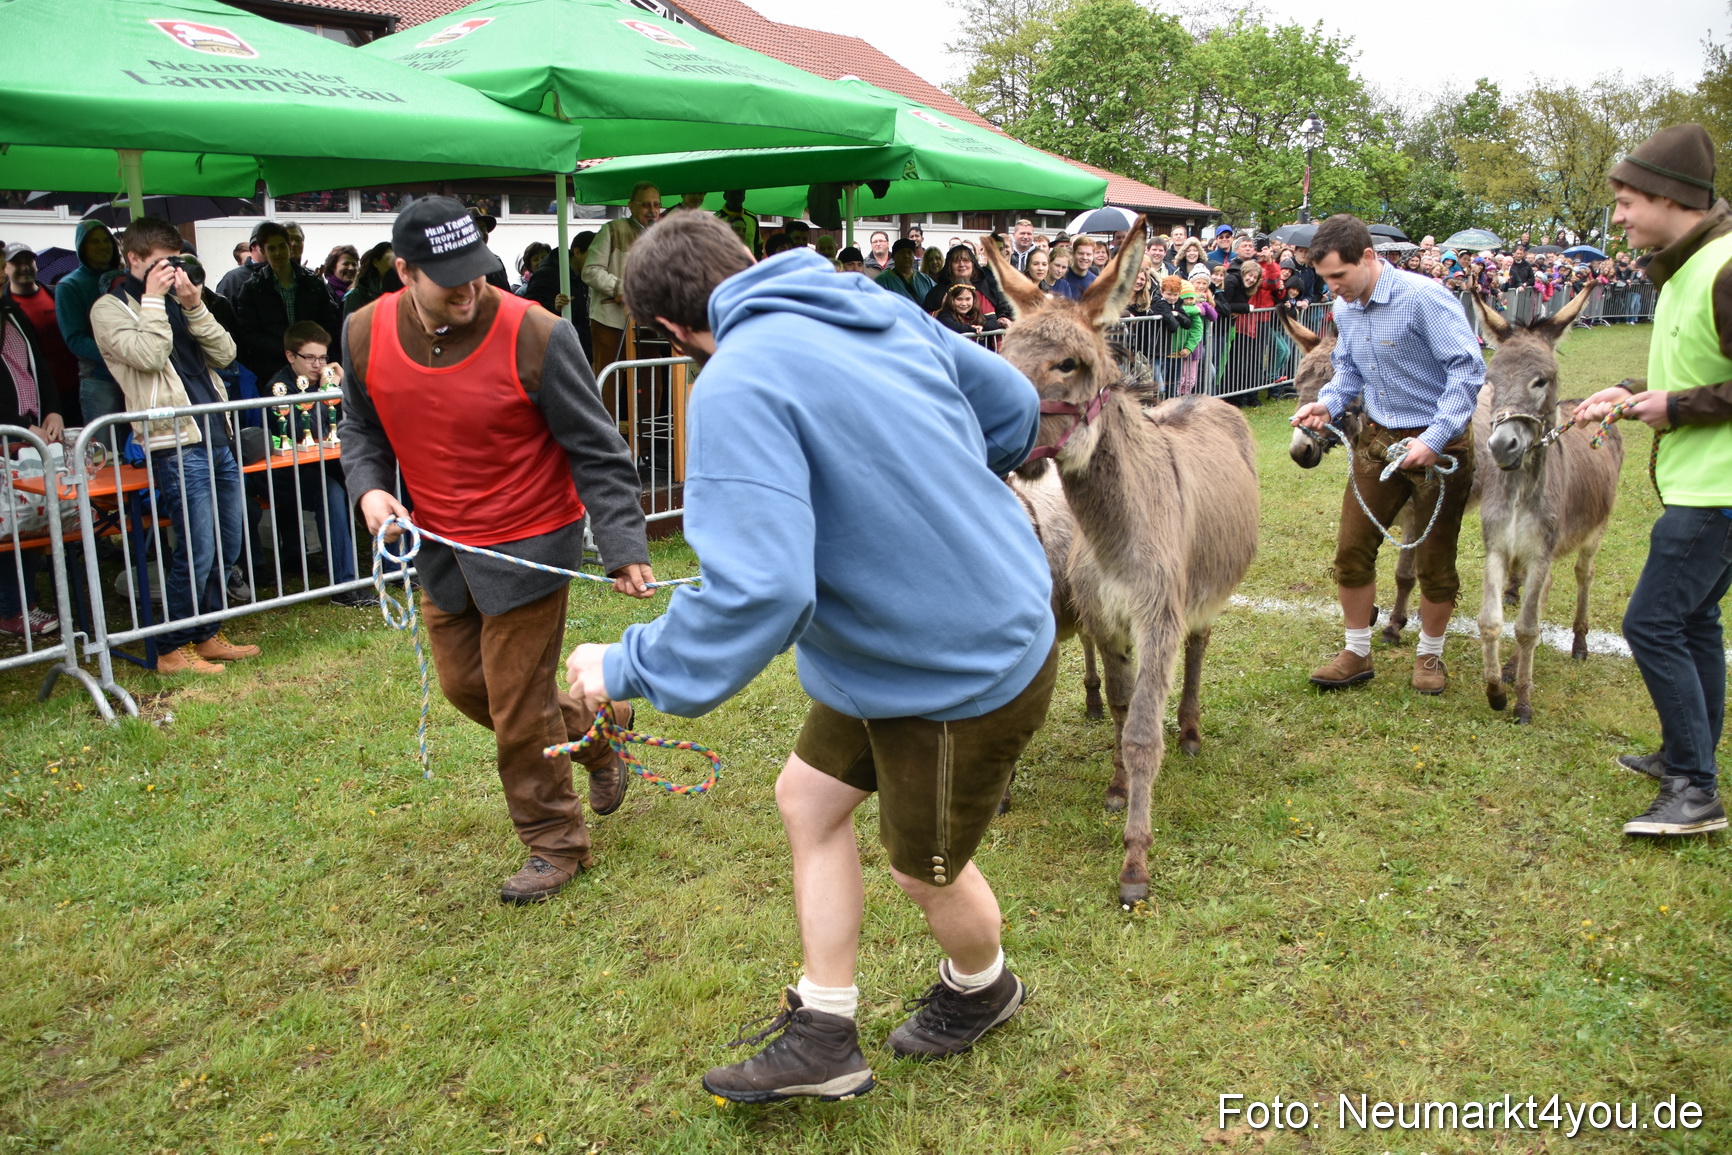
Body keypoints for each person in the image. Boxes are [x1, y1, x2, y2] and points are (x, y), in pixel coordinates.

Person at [567, 211, 1056, 1104]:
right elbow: (1014, 408)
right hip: (892, 650)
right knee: (808, 796)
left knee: (923, 867)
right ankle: (825, 1030)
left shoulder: (734, 381)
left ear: (671, 329)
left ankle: (984, 987)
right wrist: (929, 489)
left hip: (963, 667)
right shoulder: (863, 301)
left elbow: (763, 591)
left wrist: (625, 665)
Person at [339, 197, 654, 904]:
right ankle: (599, 731)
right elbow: (359, 427)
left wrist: (623, 544)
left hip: (529, 540)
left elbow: (597, 448)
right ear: (403, 271)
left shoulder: (535, 333)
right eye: (449, 278)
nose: (471, 288)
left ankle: (555, 843)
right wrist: (369, 490)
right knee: (466, 686)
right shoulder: (362, 331)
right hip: (442, 547)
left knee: (516, 705)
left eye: (479, 271)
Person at [1572, 124, 1732, 837]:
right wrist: (1630, 388)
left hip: (1719, 492)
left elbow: (1700, 394)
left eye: (1629, 200)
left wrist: (1676, 406)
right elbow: (1697, 373)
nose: (1619, 216)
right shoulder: (1686, 267)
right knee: (1694, 620)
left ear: (1672, 197)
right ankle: (1683, 756)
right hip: (1702, 483)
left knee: (1651, 620)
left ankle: (1695, 790)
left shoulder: (1725, 267)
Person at [1292, 214, 1485, 695]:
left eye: (1339, 275)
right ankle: (1356, 651)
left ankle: (1431, 656)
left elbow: (1467, 370)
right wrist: (1328, 404)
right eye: (1325, 279)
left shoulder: (1424, 299)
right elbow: (1350, 374)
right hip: (1376, 441)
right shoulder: (1349, 309)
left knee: (1435, 561)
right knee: (1351, 551)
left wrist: (1434, 438)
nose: (1333, 288)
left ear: (1370, 258)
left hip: (1440, 447)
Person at [90, 216, 258, 676]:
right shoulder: (110, 309)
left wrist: (194, 306)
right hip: (175, 442)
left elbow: (225, 355)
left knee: (228, 542)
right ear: (134, 260)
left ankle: (205, 634)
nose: (168, 271)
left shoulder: (177, 304)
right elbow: (148, 356)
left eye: (174, 261)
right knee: (197, 547)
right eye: (158, 263)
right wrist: (152, 301)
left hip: (215, 433)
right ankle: (169, 648)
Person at [256, 321, 374, 607]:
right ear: (290, 356)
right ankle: (345, 586)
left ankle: (395, 570)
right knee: (331, 493)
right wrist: (323, 397)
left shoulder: (330, 378)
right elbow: (299, 433)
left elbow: (360, 420)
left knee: (373, 478)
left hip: (325, 467)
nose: (318, 364)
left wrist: (346, 385)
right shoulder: (278, 388)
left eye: (322, 357)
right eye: (309, 357)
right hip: (286, 476)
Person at [0, 281, 64, 637]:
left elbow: (38, 366)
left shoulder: (12, 313)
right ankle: (13, 609)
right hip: (11, 435)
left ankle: (20, 605)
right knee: (9, 525)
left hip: (29, 433)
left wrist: (53, 410)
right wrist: (21, 426)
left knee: (28, 520)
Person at [234, 222, 342, 386]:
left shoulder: (312, 283)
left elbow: (328, 323)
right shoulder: (253, 289)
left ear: (289, 247)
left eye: (282, 246)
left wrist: (311, 352)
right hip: (272, 371)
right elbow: (249, 334)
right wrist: (289, 350)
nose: (278, 253)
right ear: (263, 251)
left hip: (314, 367)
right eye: (271, 248)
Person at [582, 181, 660, 375]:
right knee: (610, 384)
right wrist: (620, 288)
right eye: (645, 204)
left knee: (651, 386)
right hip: (611, 321)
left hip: (648, 322)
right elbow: (590, 270)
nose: (652, 210)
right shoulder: (612, 229)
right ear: (631, 206)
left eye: (656, 205)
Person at [55, 221, 124, 427]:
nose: (103, 246)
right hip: (99, 380)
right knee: (106, 452)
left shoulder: (124, 279)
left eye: (106, 240)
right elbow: (75, 339)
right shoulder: (69, 286)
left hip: (135, 378)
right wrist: (119, 355)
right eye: (94, 241)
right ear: (81, 247)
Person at [4, 243, 80, 424]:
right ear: (5, 268)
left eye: (28, 261)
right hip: (41, 399)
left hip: (75, 388)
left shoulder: (57, 294)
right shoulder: (7, 310)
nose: (24, 267)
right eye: (16, 263)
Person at [921, 245, 1003, 319]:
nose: (961, 264)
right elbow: (924, 319)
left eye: (966, 260)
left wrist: (1003, 317)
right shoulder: (937, 292)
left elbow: (1003, 308)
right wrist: (941, 311)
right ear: (950, 265)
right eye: (956, 261)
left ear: (973, 264)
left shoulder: (988, 286)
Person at [873, 238, 935, 304]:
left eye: (909, 252)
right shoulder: (882, 281)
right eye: (902, 253)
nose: (906, 256)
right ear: (893, 257)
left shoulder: (925, 280)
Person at [1050, 236, 1098, 300]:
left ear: (1093, 256)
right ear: (1073, 254)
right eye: (1081, 253)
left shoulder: (1096, 282)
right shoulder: (1060, 275)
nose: (1084, 257)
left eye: (1088, 254)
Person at [716, 190, 760, 258]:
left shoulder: (752, 218)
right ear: (725, 196)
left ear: (744, 198)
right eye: (732, 194)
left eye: (740, 194)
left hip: (748, 265)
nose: (736, 197)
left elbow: (758, 245)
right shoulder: (715, 220)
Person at [321, 245, 359, 311]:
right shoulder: (324, 293)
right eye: (346, 264)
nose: (351, 268)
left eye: (354, 264)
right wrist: (351, 293)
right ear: (333, 267)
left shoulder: (362, 292)